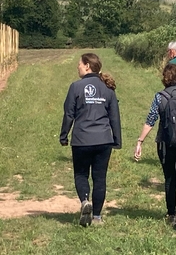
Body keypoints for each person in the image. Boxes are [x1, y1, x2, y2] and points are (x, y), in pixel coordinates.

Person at [134, 63, 176, 230]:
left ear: (166, 78)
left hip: (166, 143)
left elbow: (150, 120)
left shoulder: (160, 96)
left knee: (170, 177)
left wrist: (140, 141)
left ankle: (171, 213)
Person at [59, 53, 122, 227]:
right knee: (99, 178)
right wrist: (117, 139)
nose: (77, 67)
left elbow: (69, 114)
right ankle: (96, 217)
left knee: (81, 174)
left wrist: (64, 135)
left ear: (87, 66)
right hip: (103, 140)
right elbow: (114, 117)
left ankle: (85, 201)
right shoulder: (107, 88)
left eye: (79, 64)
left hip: (82, 139)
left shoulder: (76, 87)